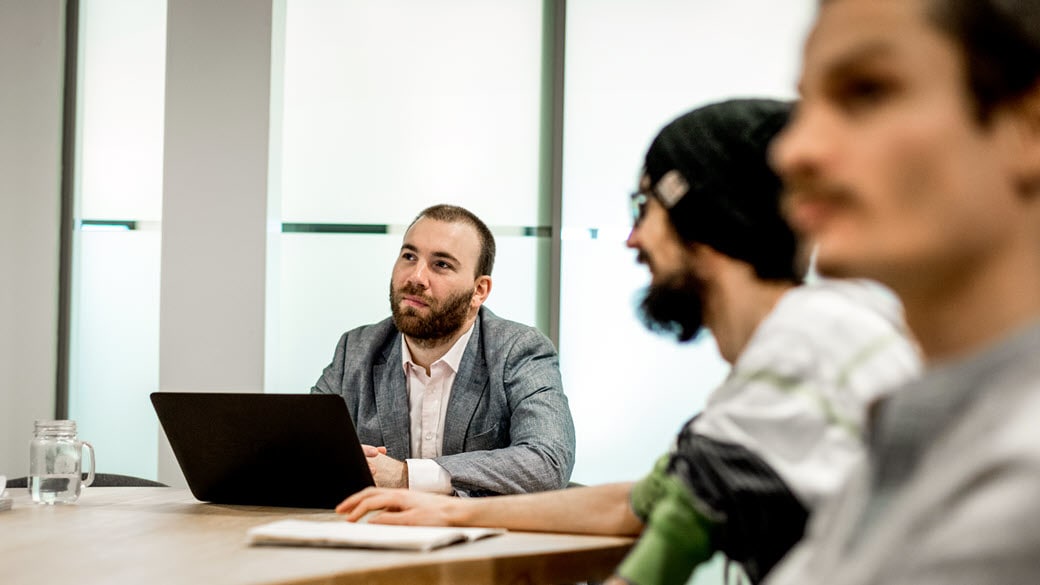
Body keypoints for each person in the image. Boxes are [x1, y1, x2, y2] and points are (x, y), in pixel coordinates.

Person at [336, 99, 921, 584]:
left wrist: (424, 493)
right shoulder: (815, 340)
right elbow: (642, 502)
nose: (633, 239)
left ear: (705, 216)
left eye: (645, 207)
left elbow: (664, 539)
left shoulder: (803, 351)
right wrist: (440, 511)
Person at [763, 0, 1040, 584]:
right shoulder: (921, 421)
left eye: (866, 92)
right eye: (806, 105)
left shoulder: (1024, 472)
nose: (793, 150)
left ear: (1029, 125)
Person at [311, 204, 576, 496]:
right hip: (374, 532)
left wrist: (405, 475)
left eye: (442, 265)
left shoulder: (518, 351)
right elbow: (302, 447)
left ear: (479, 291)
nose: (416, 277)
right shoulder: (356, 350)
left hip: (480, 537)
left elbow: (547, 461)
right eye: (409, 257)